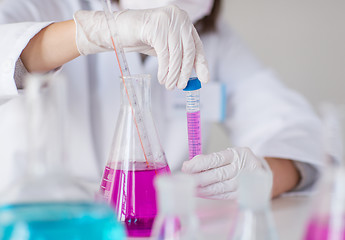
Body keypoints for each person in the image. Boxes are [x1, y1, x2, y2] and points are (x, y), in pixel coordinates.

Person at [0, 0, 323, 199]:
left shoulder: (214, 38)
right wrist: (92, 33)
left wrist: (264, 175)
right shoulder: (44, 3)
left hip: (163, 224)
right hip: (45, 220)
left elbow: (295, 131)